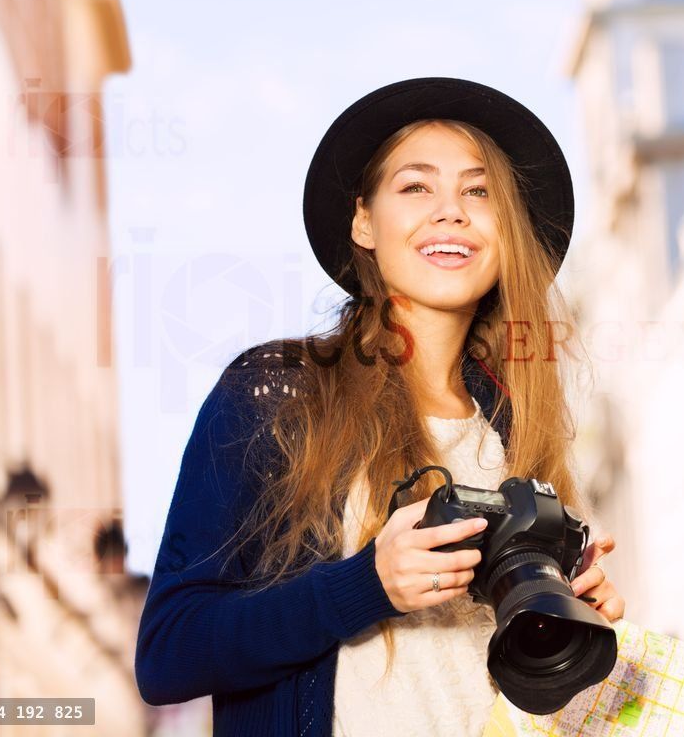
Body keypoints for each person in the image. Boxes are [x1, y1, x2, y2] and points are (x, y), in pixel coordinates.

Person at [134, 77, 626, 737]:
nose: (452, 211)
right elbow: (169, 654)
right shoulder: (278, 395)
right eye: (417, 186)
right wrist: (368, 585)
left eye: (479, 192)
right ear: (364, 220)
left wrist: (569, 627)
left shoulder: (519, 433)